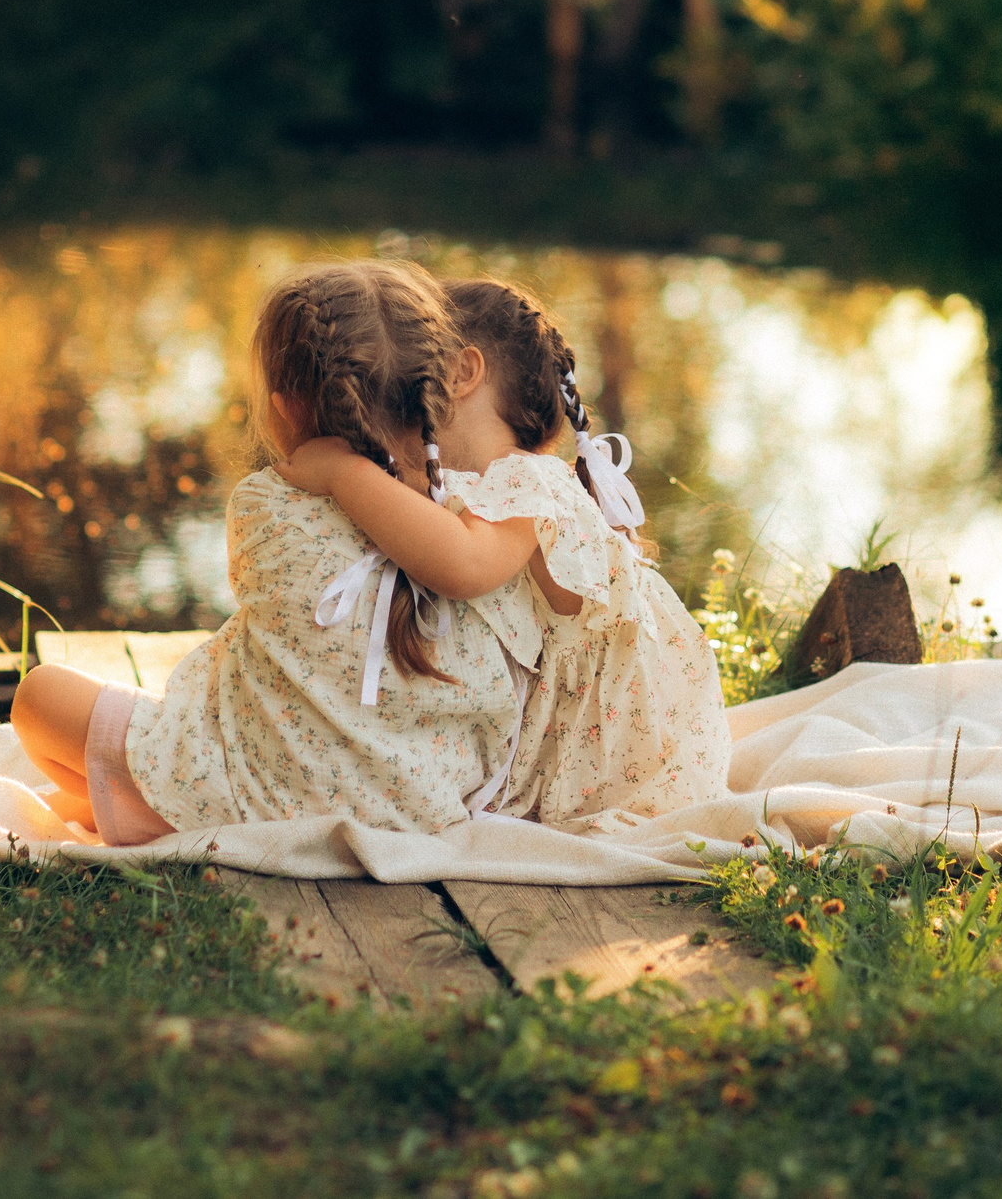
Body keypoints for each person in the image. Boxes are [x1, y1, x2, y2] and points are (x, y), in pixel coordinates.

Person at [8, 260, 529, 840]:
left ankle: (141, 802)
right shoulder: (473, 513)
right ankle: (133, 800)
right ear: (435, 389)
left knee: (38, 696)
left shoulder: (264, 502)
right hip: (420, 808)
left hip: (256, 794)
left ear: (285, 406)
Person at [285, 279, 731, 823]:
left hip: (624, 750)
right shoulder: (490, 487)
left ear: (460, 372)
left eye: (416, 375)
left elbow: (462, 565)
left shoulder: (527, 482)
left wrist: (344, 474)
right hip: (580, 721)